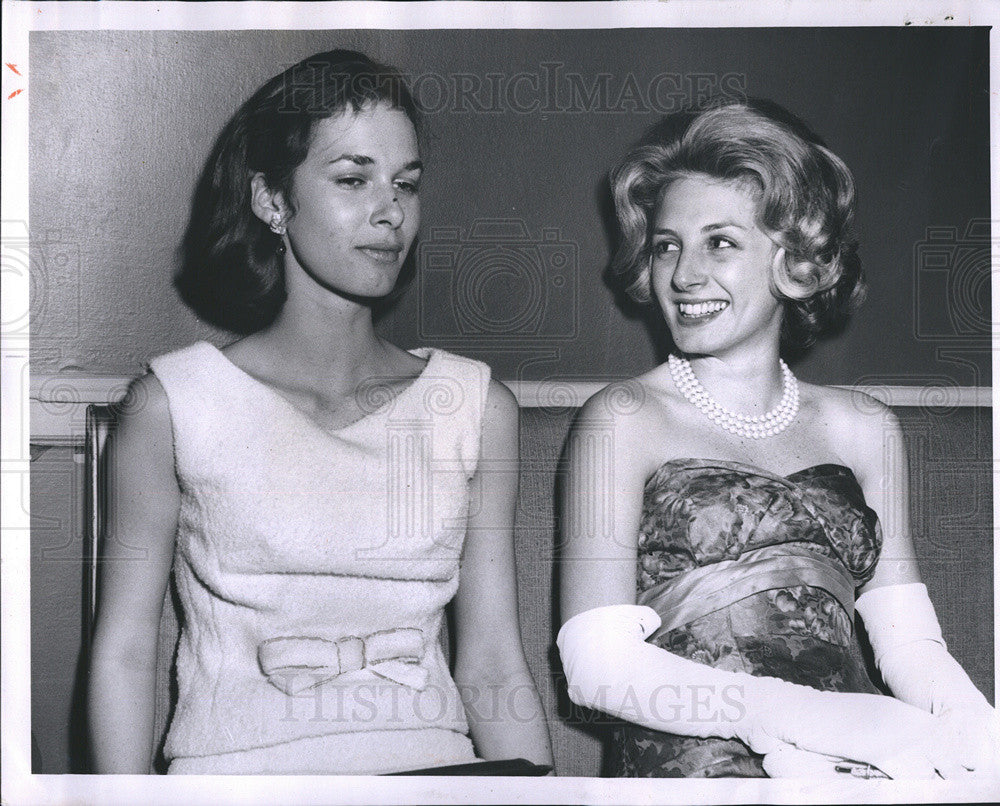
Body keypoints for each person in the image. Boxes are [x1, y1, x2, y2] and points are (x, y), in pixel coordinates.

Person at [88, 49, 552, 775]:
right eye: (352, 179)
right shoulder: (172, 407)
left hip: (437, 776)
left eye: (405, 183)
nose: (390, 210)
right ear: (272, 201)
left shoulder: (473, 408)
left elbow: (493, 664)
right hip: (239, 777)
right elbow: (123, 652)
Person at [557, 101, 998, 779]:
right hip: (694, 770)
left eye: (720, 242)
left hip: (859, 766)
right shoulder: (622, 418)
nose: (684, 274)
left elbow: (910, 648)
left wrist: (976, 737)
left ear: (795, 259)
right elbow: (596, 667)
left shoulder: (865, 427)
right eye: (668, 244)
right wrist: (808, 717)